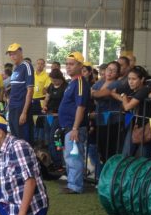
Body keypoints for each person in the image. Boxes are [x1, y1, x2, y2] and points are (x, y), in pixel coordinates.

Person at [58, 52, 91, 194]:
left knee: (74, 157)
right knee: (70, 156)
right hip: (69, 126)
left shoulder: (80, 83)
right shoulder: (72, 83)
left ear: (80, 66)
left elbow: (81, 106)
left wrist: (75, 128)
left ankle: (76, 186)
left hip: (74, 127)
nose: (68, 67)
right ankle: (73, 183)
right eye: (67, 64)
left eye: (72, 64)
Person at [112, 65, 151, 158]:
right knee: (127, 156)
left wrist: (123, 96)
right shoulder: (134, 91)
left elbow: (127, 107)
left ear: (142, 79)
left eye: (134, 79)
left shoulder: (144, 90)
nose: (130, 82)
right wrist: (123, 97)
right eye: (129, 79)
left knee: (142, 160)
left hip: (146, 127)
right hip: (135, 126)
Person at [91, 60, 123, 164]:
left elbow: (100, 94)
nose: (110, 72)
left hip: (113, 120)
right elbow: (92, 92)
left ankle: (111, 171)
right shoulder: (100, 82)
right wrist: (97, 93)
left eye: (113, 71)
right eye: (109, 69)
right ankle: (104, 170)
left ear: (117, 74)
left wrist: (97, 93)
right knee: (101, 147)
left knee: (111, 148)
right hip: (99, 119)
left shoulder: (117, 83)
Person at [6, 43, 34, 142]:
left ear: (20, 53)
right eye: (10, 54)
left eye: (14, 53)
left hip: (21, 107)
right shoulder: (16, 68)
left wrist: (24, 112)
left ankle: (25, 156)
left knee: (23, 139)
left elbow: (30, 90)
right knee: (14, 136)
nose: (12, 56)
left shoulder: (27, 66)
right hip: (13, 107)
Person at [32, 58, 51, 147]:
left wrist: (44, 89)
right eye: (38, 63)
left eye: (41, 64)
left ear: (44, 65)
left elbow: (46, 89)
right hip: (32, 99)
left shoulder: (46, 76)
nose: (39, 65)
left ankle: (40, 140)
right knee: (32, 120)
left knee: (41, 120)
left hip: (41, 99)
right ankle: (33, 139)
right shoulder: (32, 75)